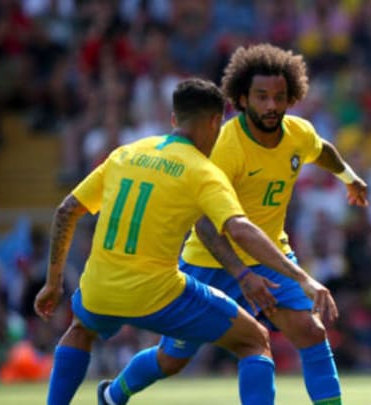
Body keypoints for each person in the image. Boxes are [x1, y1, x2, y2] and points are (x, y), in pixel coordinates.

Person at [34, 78, 336, 405]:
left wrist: (53, 283)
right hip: (159, 294)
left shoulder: (125, 153)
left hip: (99, 290)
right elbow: (240, 230)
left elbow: (67, 211)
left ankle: (101, 398)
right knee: (254, 340)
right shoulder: (202, 172)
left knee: (81, 329)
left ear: (174, 120)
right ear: (214, 123)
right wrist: (302, 278)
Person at [104, 43, 368, 405]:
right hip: (209, 263)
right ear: (242, 98)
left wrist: (349, 177)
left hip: (270, 255)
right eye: (261, 97)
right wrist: (243, 274)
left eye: (279, 97)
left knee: (310, 331)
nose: (272, 106)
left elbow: (321, 149)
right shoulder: (225, 147)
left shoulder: (298, 133)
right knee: (173, 358)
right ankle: (114, 394)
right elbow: (205, 227)